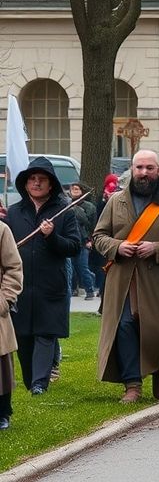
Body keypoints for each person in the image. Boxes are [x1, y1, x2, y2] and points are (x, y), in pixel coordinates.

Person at [93, 150, 159, 402]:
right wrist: (117, 247)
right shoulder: (116, 201)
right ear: (132, 170)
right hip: (122, 278)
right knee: (125, 326)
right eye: (139, 168)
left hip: (157, 277)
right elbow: (99, 236)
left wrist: (157, 248)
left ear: (158, 170)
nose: (144, 173)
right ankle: (132, 384)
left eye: (149, 168)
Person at [8, 158, 81, 394]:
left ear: (51, 185)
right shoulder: (14, 213)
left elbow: (74, 246)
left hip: (51, 284)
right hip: (21, 285)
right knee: (24, 337)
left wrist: (52, 237)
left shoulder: (64, 212)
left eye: (42, 179)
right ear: (26, 184)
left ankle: (40, 382)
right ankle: (31, 380)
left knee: (45, 333)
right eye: (32, 179)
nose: (37, 183)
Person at [0, 220, 24, 430]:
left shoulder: (1, 230)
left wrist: (5, 300)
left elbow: (13, 267)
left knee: (1, 367)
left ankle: (3, 412)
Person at [68, 182, 98, 299]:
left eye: (77, 189)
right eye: (72, 189)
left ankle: (89, 290)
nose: (74, 191)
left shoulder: (89, 207)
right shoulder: (66, 204)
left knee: (82, 266)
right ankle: (72, 289)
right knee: (71, 267)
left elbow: (92, 225)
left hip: (84, 240)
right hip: (71, 239)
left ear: (82, 192)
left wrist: (90, 240)